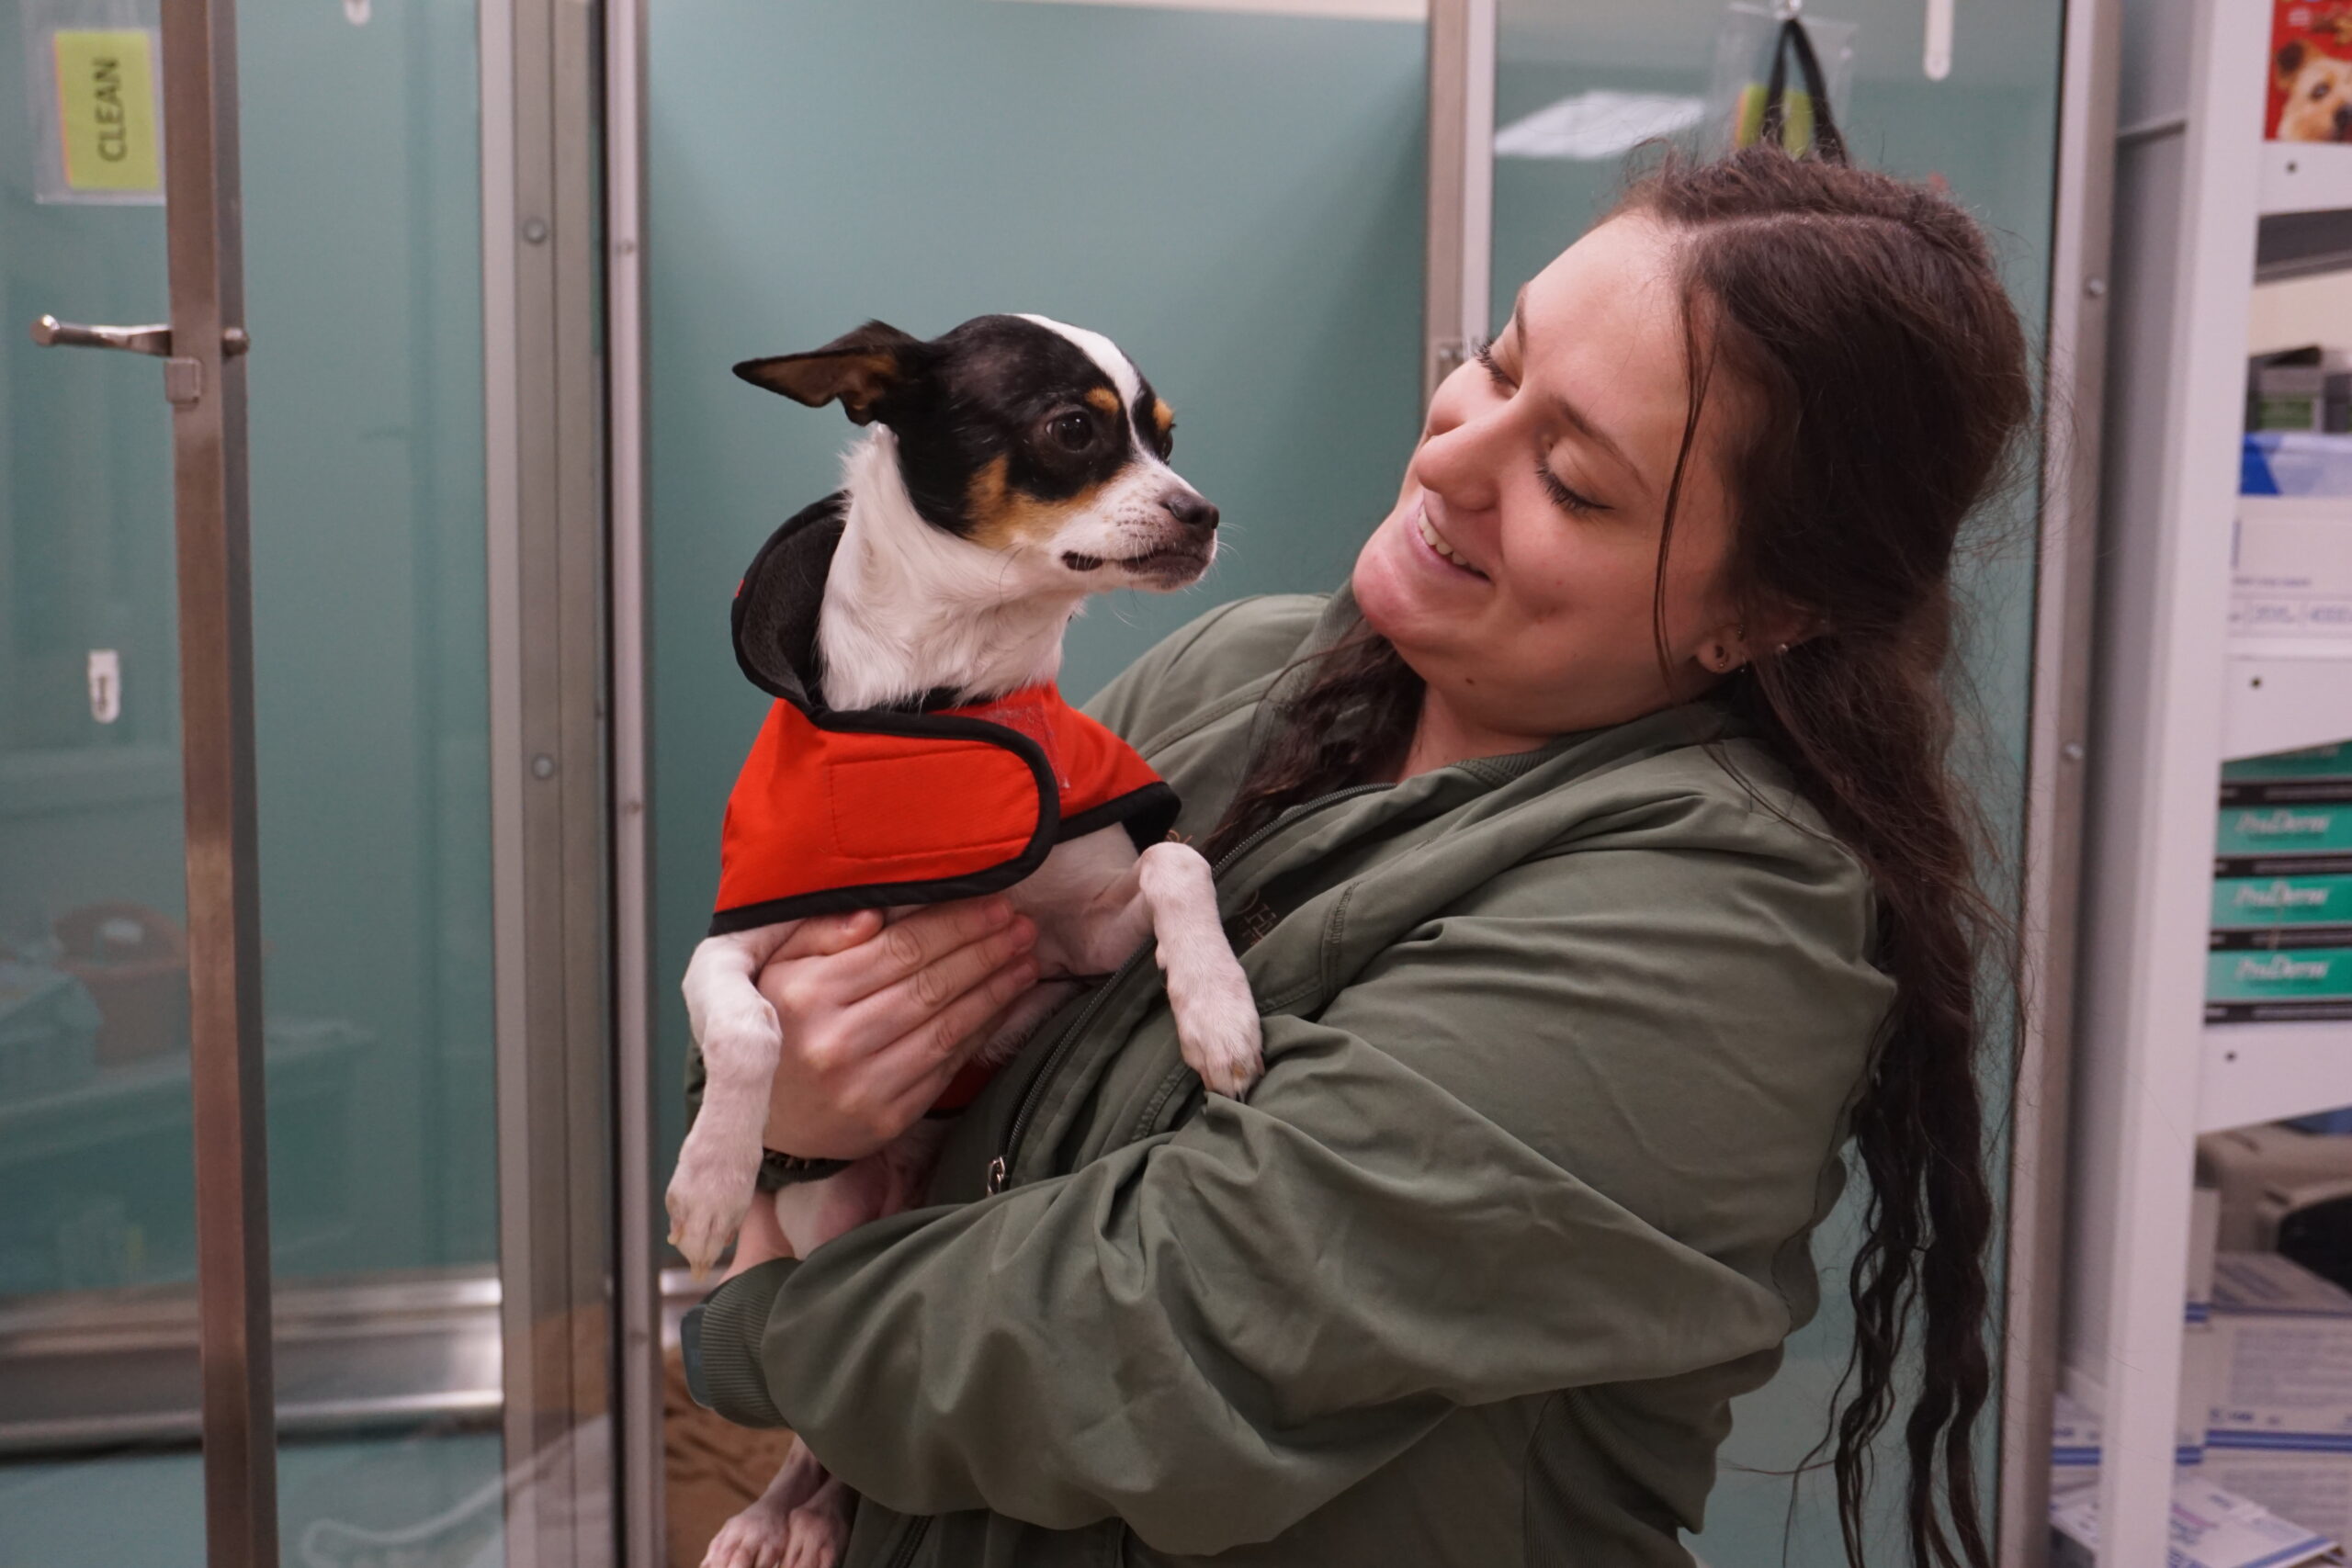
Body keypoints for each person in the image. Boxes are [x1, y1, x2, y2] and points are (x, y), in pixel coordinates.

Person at [680, 145, 2031, 1568]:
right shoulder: (1244, 669)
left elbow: (1137, 1345)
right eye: (1494, 367)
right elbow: (802, 993)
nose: (1448, 455)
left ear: (1758, 614)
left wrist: (742, 1325)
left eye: (1570, 479)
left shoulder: (1724, 937)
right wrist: (792, 1112)